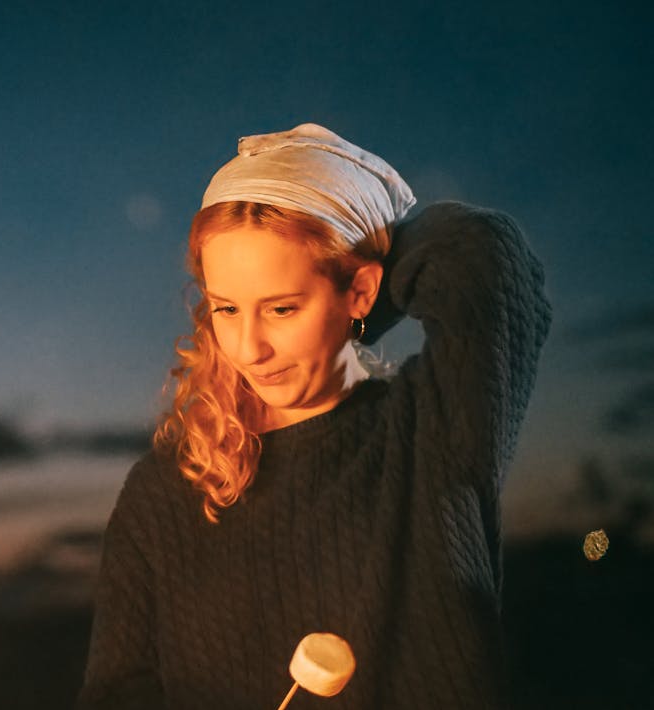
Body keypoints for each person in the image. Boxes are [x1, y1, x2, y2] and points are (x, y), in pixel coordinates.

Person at [79, 123, 551, 709]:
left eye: (281, 308)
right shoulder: (162, 494)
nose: (249, 347)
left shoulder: (434, 427)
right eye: (226, 308)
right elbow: (116, 697)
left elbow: (485, 257)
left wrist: (360, 262)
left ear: (360, 290)